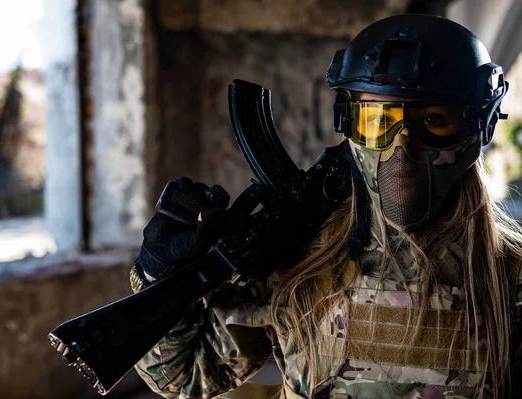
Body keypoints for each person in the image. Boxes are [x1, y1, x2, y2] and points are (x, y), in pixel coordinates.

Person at [131, 14, 522, 399]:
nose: (402, 148)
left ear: (479, 127)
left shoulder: (510, 276)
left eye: (434, 121)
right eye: (378, 120)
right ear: (348, 122)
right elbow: (185, 376)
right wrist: (159, 276)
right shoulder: (300, 257)